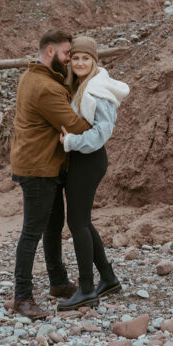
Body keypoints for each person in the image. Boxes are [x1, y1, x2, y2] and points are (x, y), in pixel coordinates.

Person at [10, 28, 92, 320]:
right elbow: (73, 123)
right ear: (49, 52)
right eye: (67, 53)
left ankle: (57, 282)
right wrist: (101, 123)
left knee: (53, 225)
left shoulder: (35, 77)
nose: (70, 59)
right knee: (32, 232)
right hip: (38, 168)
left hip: (44, 164)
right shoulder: (45, 87)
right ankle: (22, 298)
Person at [57, 34, 130, 311]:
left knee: (77, 223)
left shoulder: (97, 90)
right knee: (82, 222)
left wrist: (71, 142)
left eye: (86, 58)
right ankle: (108, 279)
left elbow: (103, 132)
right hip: (80, 160)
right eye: (75, 58)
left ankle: (87, 288)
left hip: (89, 159)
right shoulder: (79, 85)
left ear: (94, 61)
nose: (80, 62)